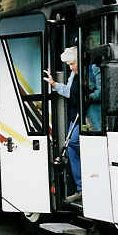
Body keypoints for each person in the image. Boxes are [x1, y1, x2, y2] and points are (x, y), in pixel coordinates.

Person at [44, 46, 81, 203]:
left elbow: (99, 91)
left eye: (72, 64)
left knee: (72, 143)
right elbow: (68, 92)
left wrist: (88, 97)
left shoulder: (91, 71)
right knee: (72, 149)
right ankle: (80, 188)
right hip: (75, 117)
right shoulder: (74, 74)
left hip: (85, 117)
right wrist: (53, 84)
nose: (71, 68)